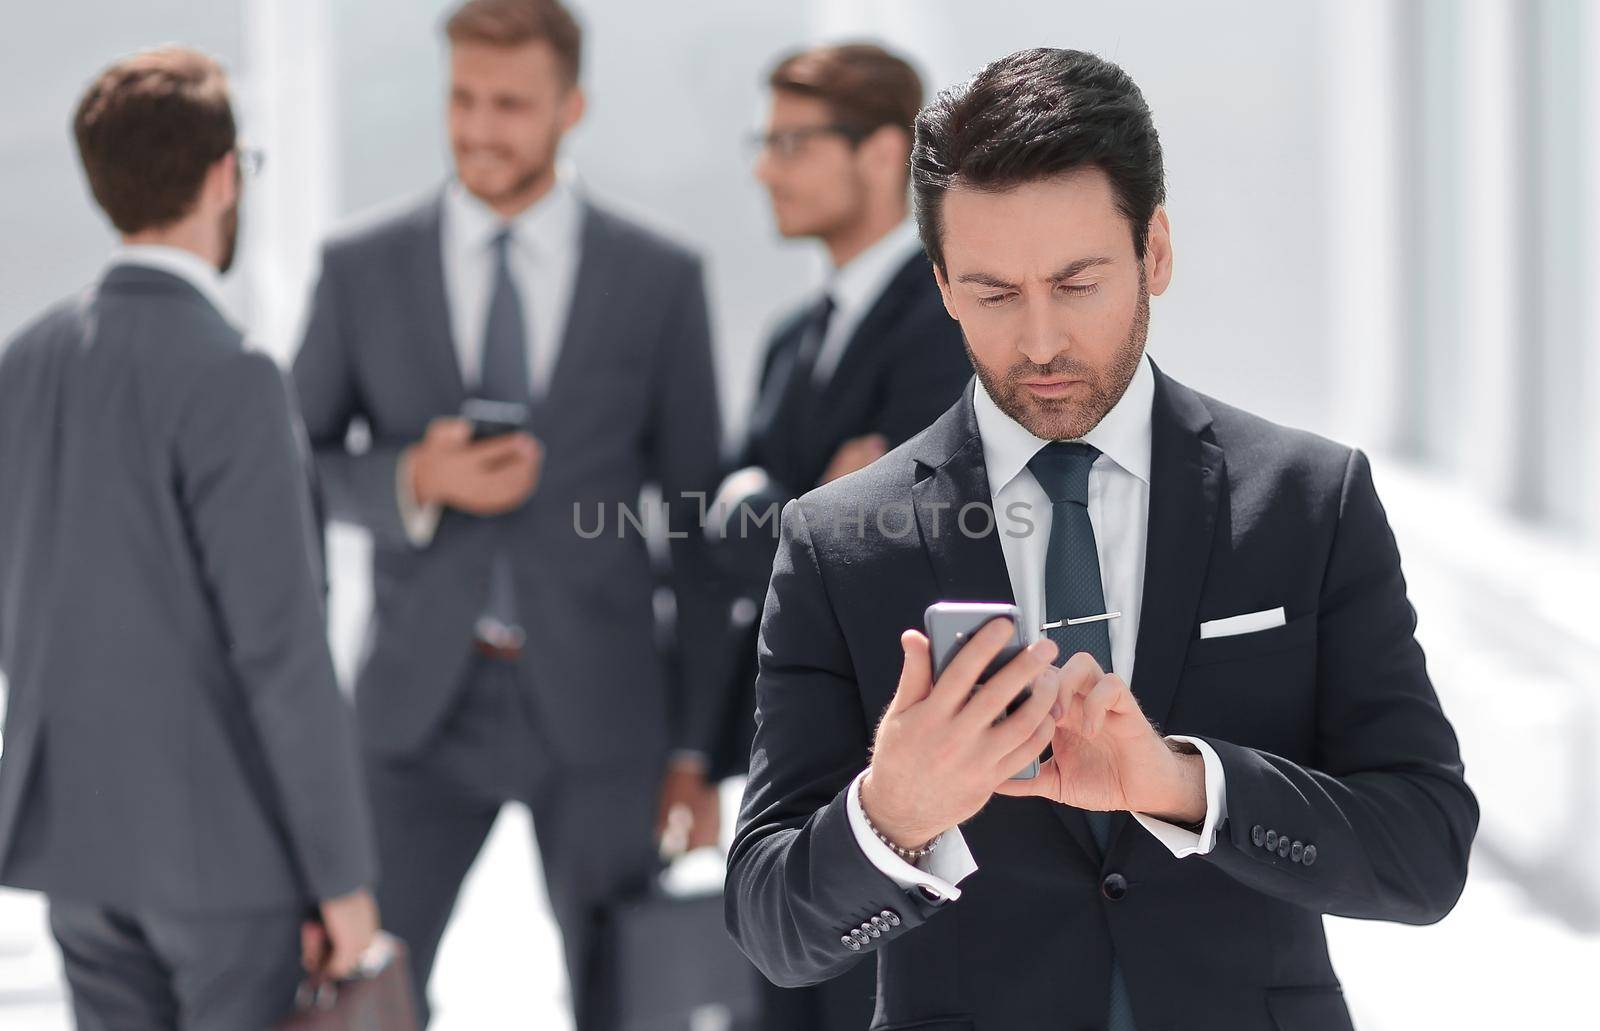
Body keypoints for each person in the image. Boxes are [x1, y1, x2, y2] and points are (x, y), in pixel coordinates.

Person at [725, 47, 1478, 1031]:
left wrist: (1179, 784)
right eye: (993, 292)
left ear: (1153, 251)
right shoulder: (838, 542)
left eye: (1076, 282)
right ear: (943, 282)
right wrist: (894, 812)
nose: (1039, 341)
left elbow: (1424, 852)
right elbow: (772, 925)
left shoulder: (1307, 499)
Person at [290, 1, 723, 1024]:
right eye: (463, 99)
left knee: (626, 997)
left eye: (512, 105)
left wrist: (698, 751)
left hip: (606, 710)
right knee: (357, 994)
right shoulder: (362, 268)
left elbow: (699, 527)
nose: (481, 128)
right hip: (412, 712)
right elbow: (290, 466)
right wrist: (413, 481)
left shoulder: (660, 280)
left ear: (570, 106)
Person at [0, 47, 379, 1029]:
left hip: (74, 850)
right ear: (222, 176)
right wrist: (341, 877)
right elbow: (281, 651)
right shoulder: (233, 374)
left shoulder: (26, 361)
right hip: (226, 860)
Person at [705, 42, 972, 1030]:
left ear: (878, 154)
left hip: (899, 773)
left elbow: (892, 552)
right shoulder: (789, 338)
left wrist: (778, 508)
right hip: (791, 773)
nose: (763, 166)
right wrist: (806, 503)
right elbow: (720, 537)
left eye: (790, 142)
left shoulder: (946, 327)